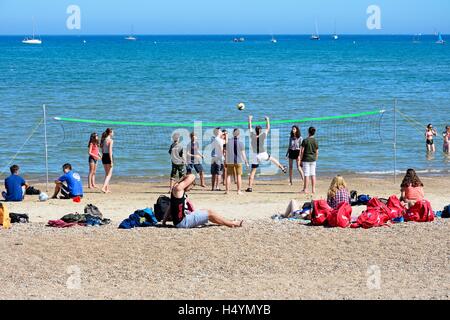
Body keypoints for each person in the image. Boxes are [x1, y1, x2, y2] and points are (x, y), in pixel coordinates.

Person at [162, 174, 243, 228]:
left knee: (206, 211)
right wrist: (185, 178)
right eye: (190, 187)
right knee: (210, 213)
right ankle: (232, 224)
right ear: (188, 184)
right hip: (183, 222)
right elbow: (192, 176)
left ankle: (228, 222)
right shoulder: (178, 189)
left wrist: (164, 222)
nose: (189, 190)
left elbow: (170, 207)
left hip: (180, 222)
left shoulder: (175, 190)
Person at [246, 115, 287, 192]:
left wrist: (249, 119)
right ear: (260, 131)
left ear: (255, 131)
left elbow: (249, 127)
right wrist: (267, 119)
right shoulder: (262, 135)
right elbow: (268, 128)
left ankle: (250, 187)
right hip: (262, 153)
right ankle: (282, 168)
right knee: (272, 159)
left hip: (255, 155)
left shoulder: (252, 135)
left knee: (253, 172)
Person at [225, 129, 249, 195]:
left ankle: (227, 191)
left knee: (228, 176)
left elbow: (226, 153)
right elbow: (243, 154)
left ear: (233, 134)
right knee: (239, 176)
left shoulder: (228, 143)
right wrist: (246, 162)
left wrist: (225, 161)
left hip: (229, 161)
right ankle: (238, 191)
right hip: (238, 161)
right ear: (239, 134)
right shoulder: (241, 143)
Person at [300, 127, 319, 194]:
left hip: (306, 159)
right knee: (313, 174)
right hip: (313, 160)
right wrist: (315, 158)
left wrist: (300, 160)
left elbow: (302, 151)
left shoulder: (305, 140)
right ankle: (313, 190)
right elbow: (317, 152)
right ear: (314, 132)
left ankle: (305, 189)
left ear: (308, 132)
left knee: (306, 175)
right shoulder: (315, 141)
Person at [100, 128, 114, 193]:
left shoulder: (103, 140)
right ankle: (103, 188)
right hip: (108, 156)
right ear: (110, 133)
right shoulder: (110, 140)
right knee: (109, 174)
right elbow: (110, 151)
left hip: (104, 156)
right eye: (113, 132)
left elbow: (102, 150)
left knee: (106, 173)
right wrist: (111, 161)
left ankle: (106, 189)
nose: (113, 133)